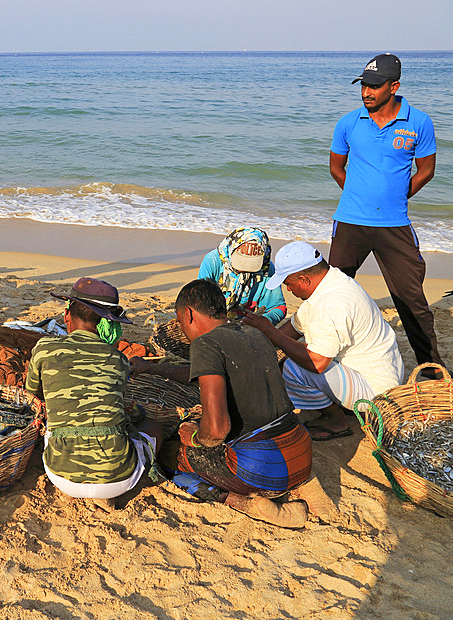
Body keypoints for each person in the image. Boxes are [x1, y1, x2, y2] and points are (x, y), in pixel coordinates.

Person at [130, 280, 312, 528]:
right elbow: (198, 375)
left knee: (165, 454)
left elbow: (217, 431)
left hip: (264, 468)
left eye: (180, 320)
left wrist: (193, 437)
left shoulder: (206, 344)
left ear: (189, 314)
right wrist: (151, 369)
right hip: (301, 453)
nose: (182, 328)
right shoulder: (252, 333)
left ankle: (239, 502)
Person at [329, 53, 444, 374]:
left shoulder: (418, 122)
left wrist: (396, 196)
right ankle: (317, 359)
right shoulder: (348, 122)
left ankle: (432, 369)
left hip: (394, 225)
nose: (366, 92)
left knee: (412, 302)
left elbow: (427, 170)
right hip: (350, 222)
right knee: (332, 292)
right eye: (364, 85)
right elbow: (336, 167)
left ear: (394, 86)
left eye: (375, 86)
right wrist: (357, 195)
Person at [242, 241, 404, 440]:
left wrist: (270, 333)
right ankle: (341, 403)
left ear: (303, 279)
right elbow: (295, 326)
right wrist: (258, 341)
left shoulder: (333, 305)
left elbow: (316, 363)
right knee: (291, 359)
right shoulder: (331, 281)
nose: (289, 290)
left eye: (288, 283)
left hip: (377, 394)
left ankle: (336, 421)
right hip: (381, 371)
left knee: (292, 369)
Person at [25, 277, 163, 509]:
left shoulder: (44, 349)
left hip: (61, 476)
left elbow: (31, 399)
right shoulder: (118, 360)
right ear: (104, 323)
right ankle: (121, 489)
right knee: (155, 428)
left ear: (67, 315)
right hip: (119, 477)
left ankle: (79, 490)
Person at [198, 227, 287, 324]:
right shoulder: (213, 261)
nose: (244, 270)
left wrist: (263, 321)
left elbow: (277, 307)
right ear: (231, 250)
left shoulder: (266, 269)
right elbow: (201, 301)